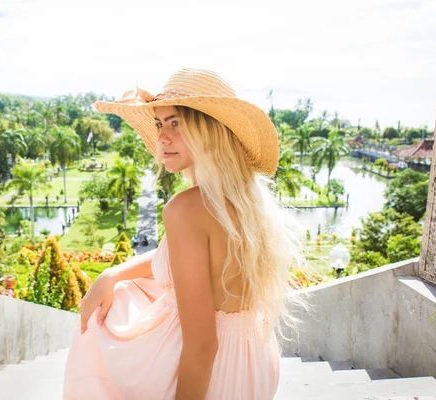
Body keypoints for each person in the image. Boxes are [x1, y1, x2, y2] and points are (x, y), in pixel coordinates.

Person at [63, 68, 307, 399]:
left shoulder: (186, 210)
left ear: (206, 130)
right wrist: (113, 273)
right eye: (160, 123)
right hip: (253, 361)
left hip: (212, 371)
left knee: (98, 329)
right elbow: (186, 260)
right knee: (128, 290)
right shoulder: (247, 199)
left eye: (176, 123)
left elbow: (202, 346)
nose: (163, 136)